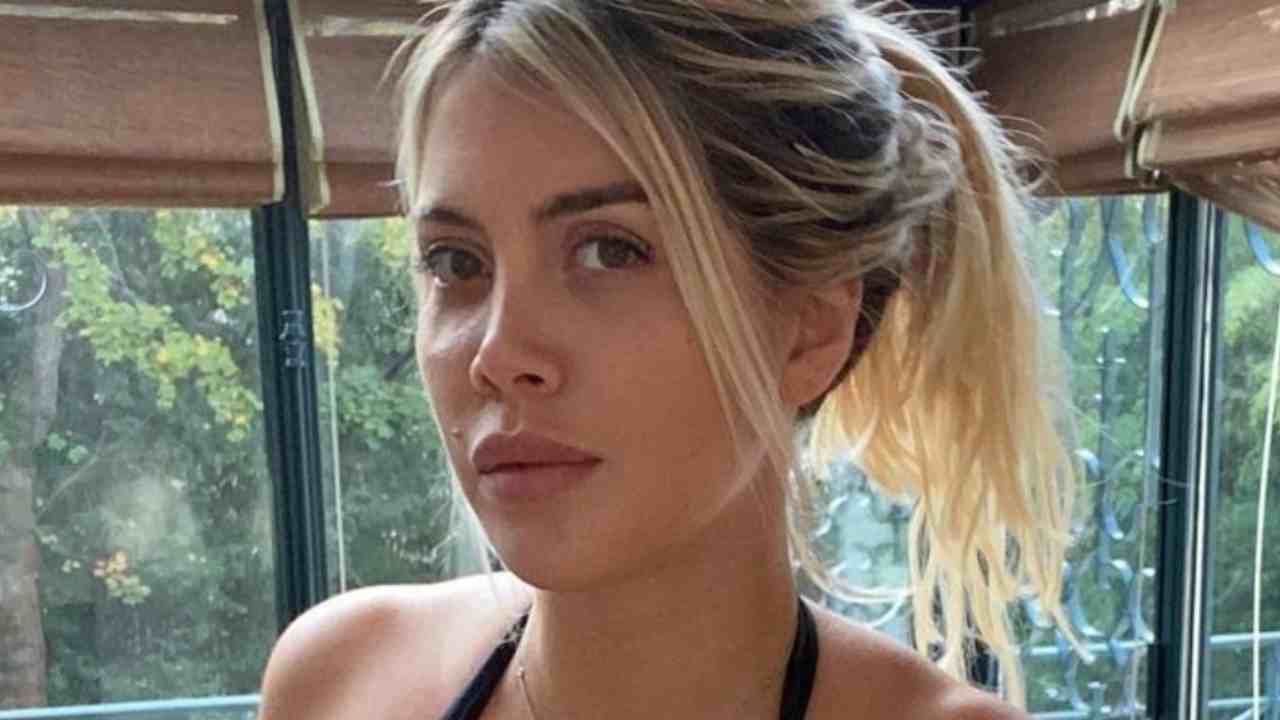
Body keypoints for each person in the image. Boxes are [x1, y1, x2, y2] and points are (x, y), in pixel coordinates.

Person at [258, 1, 1078, 718]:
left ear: (808, 330)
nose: (498, 355)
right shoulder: (338, 682)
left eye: (610, 251)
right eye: (456, 262)